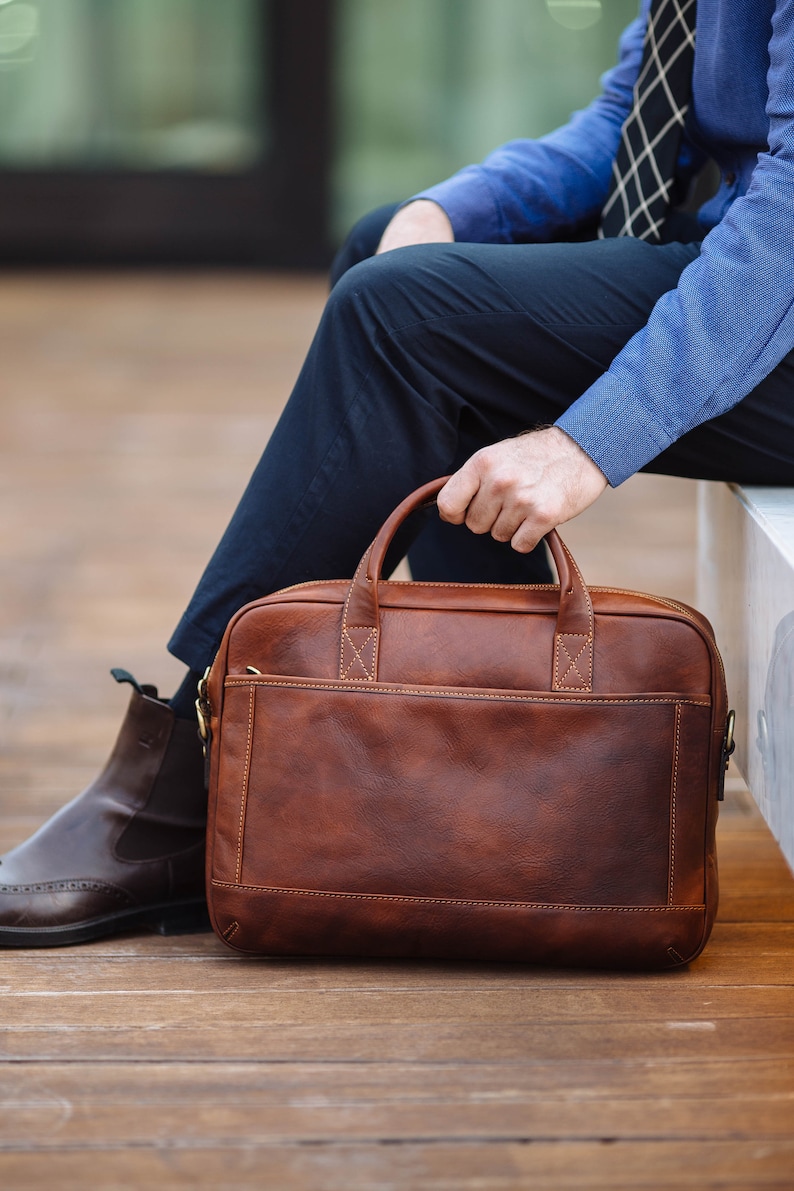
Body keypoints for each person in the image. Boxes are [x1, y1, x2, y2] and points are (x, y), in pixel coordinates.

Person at [1, 0, 792, 946]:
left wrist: (590, 442)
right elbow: (633, 118)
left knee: (403, 319)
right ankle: (501, 761)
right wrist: (446, 209)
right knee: (387, 248)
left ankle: (181, 784)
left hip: (773, 291)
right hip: (735, 256)